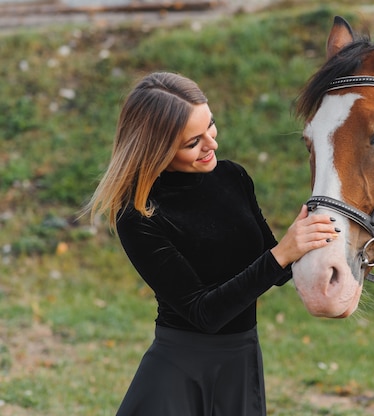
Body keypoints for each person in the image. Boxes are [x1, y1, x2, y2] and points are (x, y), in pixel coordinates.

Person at [85, 71, 339, 415]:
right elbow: (205, 313)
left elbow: (274, 270)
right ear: (158, 149)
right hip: (180, 369)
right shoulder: (138, 214)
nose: (212, 144)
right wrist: (282, 254)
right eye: (193, 143)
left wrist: (318, 242)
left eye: (211, 125)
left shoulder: (232, 177)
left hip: (242, 358)